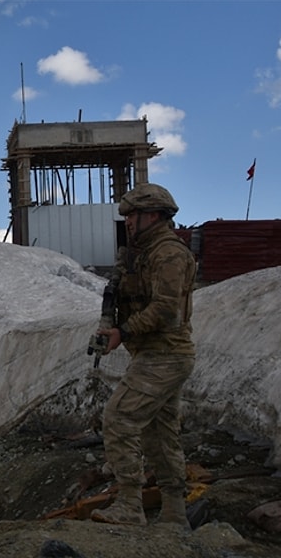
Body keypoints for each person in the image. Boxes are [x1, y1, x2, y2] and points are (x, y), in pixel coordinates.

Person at [90, 183, 197, 528]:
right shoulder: (140, 253)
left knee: (119, 419)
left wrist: (125, 332)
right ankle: (174, 514)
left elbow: (166, 310)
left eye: (133, 215)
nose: (129, 222)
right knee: (159, 435)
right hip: (156, 354)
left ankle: (130, 506)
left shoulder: (168, 253)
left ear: (153, 214)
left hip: (164, 355)